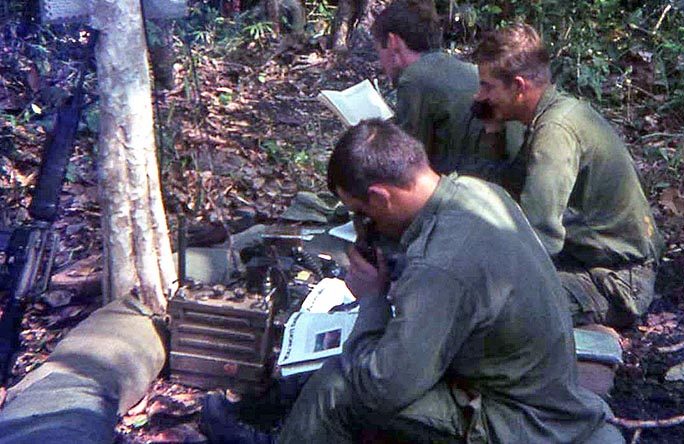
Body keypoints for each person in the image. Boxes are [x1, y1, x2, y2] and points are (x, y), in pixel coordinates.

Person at [203, 119, 623, 443]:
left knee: (338, 384)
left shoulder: (439, 267)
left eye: (361, 213)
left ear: (382, 197)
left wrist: (370, 300)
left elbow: (382, 391)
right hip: (532, 385)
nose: (361, 226)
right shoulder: (475, 193)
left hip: (522, 422)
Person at [472, 24, 665, 329]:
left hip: (614, 280)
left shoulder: (555, 133)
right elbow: (504, 194)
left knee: (488, 310)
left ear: (519, 87)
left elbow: (540, 238)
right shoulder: (551, 116)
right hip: (589, 261)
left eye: (487, 87)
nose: (479, 95)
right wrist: (493, 133)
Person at [371, 0, 499, 175]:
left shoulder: (414, 79)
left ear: (393, 42)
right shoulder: (455, 66)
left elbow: (404, 162)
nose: (381, 62)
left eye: (380, 51)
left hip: (468, 184)